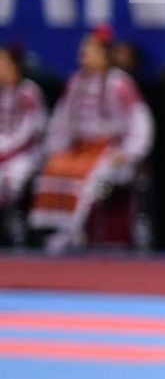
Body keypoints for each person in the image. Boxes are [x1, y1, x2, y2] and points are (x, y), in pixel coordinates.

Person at [27, 26, 154, 253]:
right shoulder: (76, 82)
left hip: (110, 150)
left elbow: (141, 123)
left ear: (105, 54)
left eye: (89, 49)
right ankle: (60, 230)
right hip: (80, 149)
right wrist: (56, 148)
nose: (83, 54)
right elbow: (62, 119)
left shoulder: (120, 84)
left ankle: (75, 231)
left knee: (89, 176)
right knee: (55, 167)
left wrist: (129, 151)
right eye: (83, 49)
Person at [0, 46, 46, 245]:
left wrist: (5, 152)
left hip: (26, 152)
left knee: (13, 176)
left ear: (14, 67)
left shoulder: (29, 92)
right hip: (3, 148)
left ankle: (14, 223)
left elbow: (29, 131)